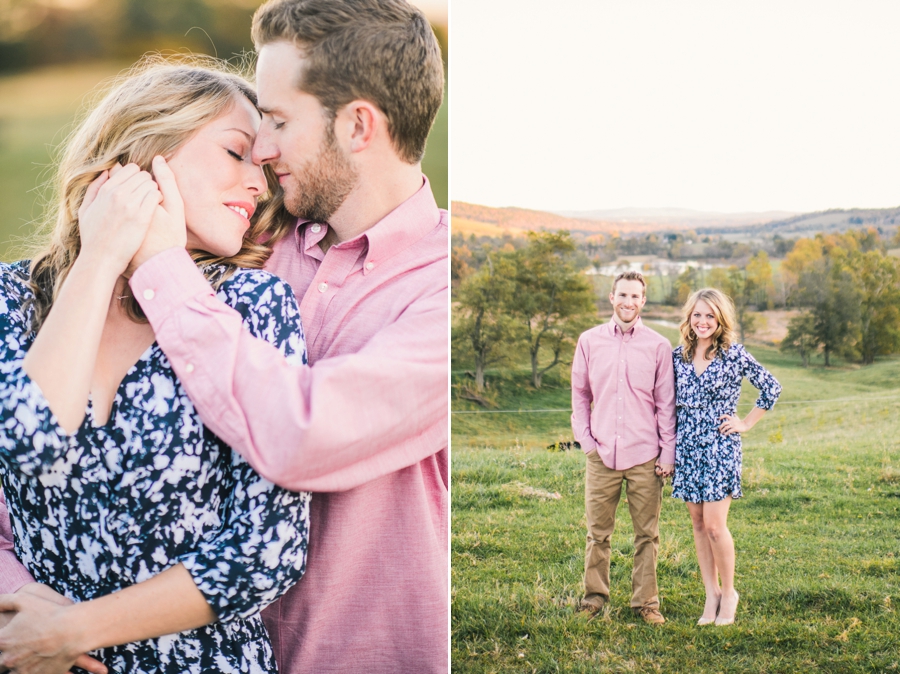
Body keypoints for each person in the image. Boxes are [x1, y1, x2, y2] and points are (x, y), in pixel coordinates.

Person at [0, 1, 449, 672]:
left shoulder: (442, 291)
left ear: (358, 125)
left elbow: (300, 436)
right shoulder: (252, 244)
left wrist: (156, 261)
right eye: (247, 138)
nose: (263, 155)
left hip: (353, 655)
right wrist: (21, 615)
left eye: (276, 122)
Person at [0, 57, 312, 673]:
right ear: (148, 152)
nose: (260, 182)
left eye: (263, 164)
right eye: (236, 153)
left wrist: (71, 630)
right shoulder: (10, 301)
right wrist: (103, 254)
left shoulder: (253, 307)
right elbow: (27, 441)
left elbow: (268, 549)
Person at [570, 270, 676, 625]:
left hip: (645, 455)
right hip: (601, 454)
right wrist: (587, 443)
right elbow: (580, 396)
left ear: (643, 301)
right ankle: (594, 597)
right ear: (611, 297)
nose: (629, 302)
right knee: (597, 533)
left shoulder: (659, 346)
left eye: (636, 296)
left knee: (647, 534)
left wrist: (667, 452)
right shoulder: (589, 341)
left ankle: (646, 603)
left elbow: (665, 405)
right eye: (623, 295)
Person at [671, 287, 781, 626]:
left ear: (720, 319)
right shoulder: (678, 356)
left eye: (710, 315)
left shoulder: (734, 354)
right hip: (687, 448)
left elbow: (771, 387)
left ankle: (730, 593)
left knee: (716, 526)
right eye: (697, 314)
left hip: (720, 447)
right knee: (698, 524)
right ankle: (711, 595)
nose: (703, 321)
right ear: (689, 318)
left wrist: (746, 423)